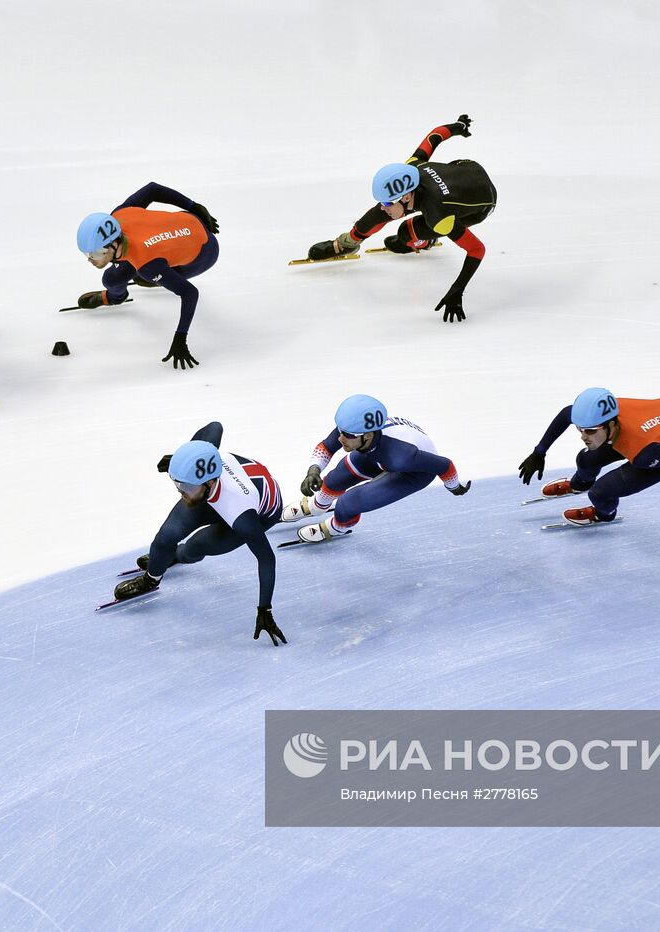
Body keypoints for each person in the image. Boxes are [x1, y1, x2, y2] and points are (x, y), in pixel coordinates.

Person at [306, 115, 496, 323]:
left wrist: (457, 290)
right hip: (464, 169)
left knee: (406, 233)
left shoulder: (440, 216)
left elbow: (477, 250)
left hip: (480, 205)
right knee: (377, 215)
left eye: (388, 203)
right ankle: (349, 243)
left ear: (406, 196)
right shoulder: (413, 167)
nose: (384, 207)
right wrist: (458, 126)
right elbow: (435, 136)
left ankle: (426, 240)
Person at [114, 422, 287, 646]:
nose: (181, 492)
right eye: (178, 485)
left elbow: (266, 558)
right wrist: (182, 458)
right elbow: (216, 426)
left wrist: (265, 609)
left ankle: (177, 555)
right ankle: (151, 579)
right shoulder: (206, 457)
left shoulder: (241, 514)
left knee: (195, 547)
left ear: (209, 482)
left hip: (258, 513)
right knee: (166, 536)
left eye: (186, 487)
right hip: (222, 496)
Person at [519, 388, 660, 526]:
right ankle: (580, 483)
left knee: (600, 493)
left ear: (610, 425)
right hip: (658, 414)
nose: (583, 436)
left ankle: (604, 514)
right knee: (585, 459)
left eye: (590, 431)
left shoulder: (645, 453)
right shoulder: (601, 415)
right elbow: (566, 414)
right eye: (580, 429)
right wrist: (539, 452)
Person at [280, 394, 470, 544]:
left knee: (348, 503)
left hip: (413, 472)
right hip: (378, 453)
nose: (340, 438)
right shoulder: (356, 428)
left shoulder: (401, 456)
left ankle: (338, 527)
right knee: (335, 478)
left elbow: (444, 465)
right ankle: (317, 506)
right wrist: (313, 470)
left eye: (346, 435)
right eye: (340, 431)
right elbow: (326, 447)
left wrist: (454, 487)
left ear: (368, 435)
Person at [74, 183, 220, 370]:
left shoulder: (147, 264)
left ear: (113, 244)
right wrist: (192, 206)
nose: (91, 260)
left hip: (204, 252)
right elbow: (152, 189)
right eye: (87, 255)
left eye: (95, 254)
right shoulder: (119, 215)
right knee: (110, 279)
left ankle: (158, 279)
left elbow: (190, 293)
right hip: (187, 221)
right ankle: (115, 297)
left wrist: (180, 338)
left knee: (147, 275)